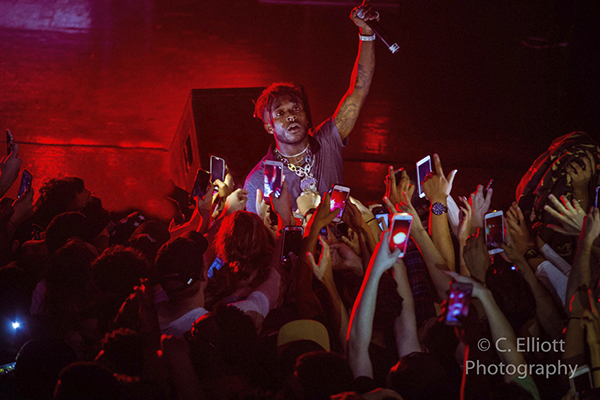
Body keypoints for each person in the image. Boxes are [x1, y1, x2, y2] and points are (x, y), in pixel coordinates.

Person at [244, 1, 379, 214]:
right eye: (280, 113)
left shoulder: (328, 140)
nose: (291, 116)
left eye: (296, 108)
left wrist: (367, 33)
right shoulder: (260, 180)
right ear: (269, 127)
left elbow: (358, 90)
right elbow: (258, 234)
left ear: (307, 117)